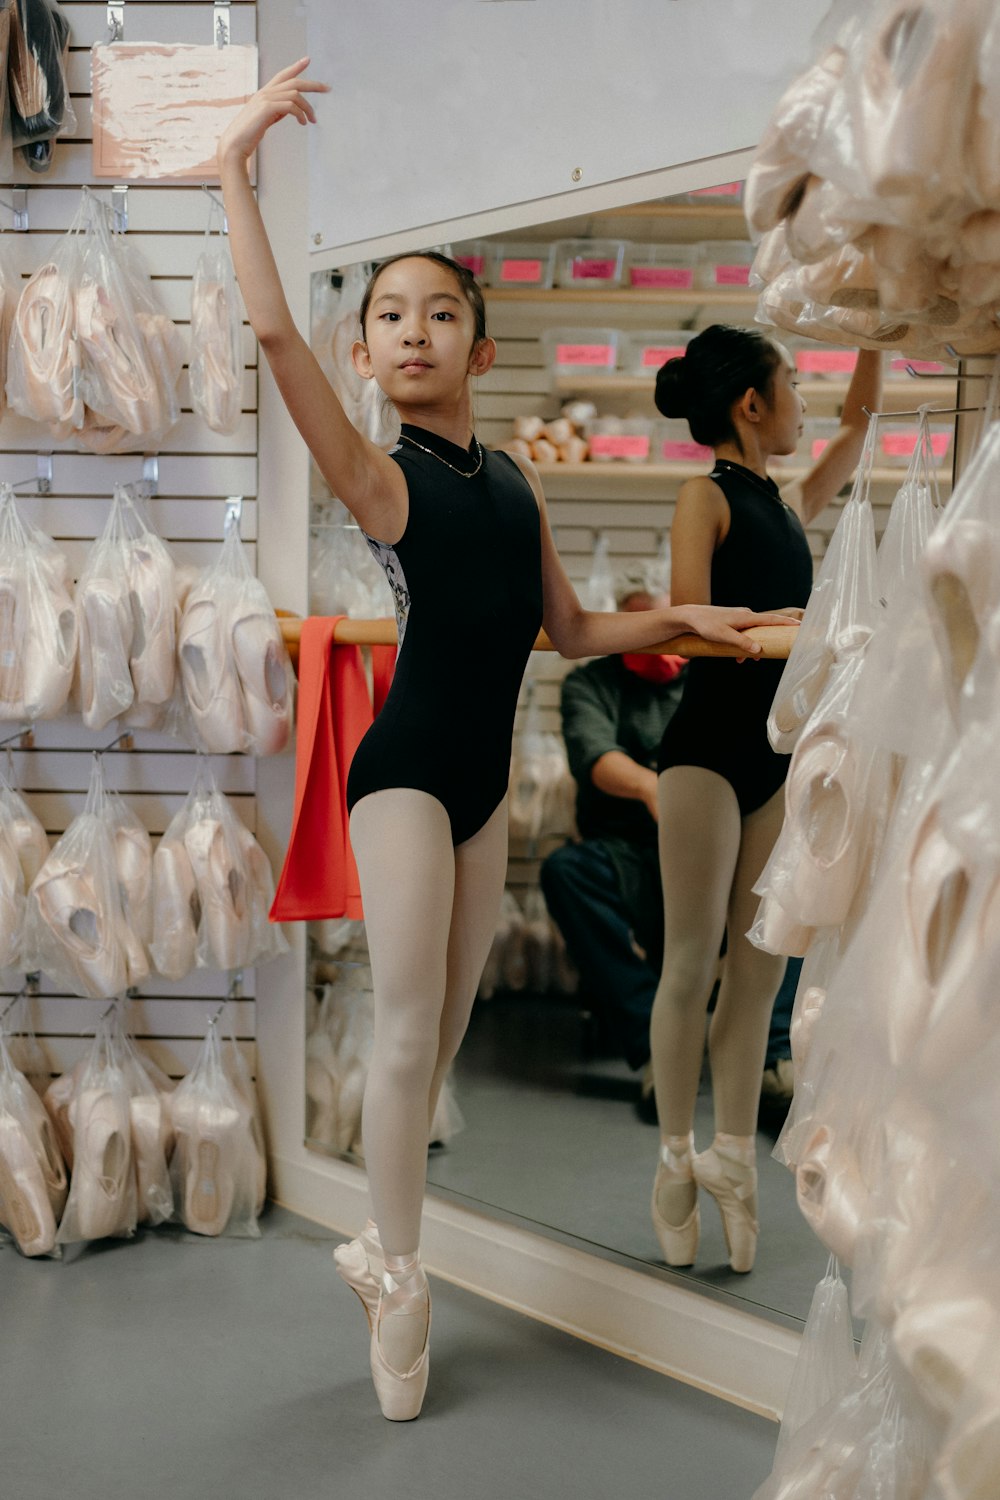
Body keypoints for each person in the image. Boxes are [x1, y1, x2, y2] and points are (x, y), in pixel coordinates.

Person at [218, 64, 798, 1421]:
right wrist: (235, 169)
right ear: (367, 355)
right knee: (413, 1021)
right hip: (409, 772)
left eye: (439, 314)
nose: (410, 332)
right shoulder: (383, 476)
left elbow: (571, 628)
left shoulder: (517, 480)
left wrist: (687, 614)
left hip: (484, 784)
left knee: (448, 1034)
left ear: (484, 349)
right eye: (387, 318)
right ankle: (398, 1272)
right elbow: (274, 335)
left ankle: (391, 1242)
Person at [647, 325, 881, 1275]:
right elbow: (689, 622)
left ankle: (733, 1158)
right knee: (689, 961)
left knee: (757, 972)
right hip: (704, 753)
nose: (803, 407)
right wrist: (785, 627)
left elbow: (860, 426)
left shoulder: (784, 502)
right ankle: (671, 1159)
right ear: (753, 404)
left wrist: (872, 329)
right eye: (793, 389)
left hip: (778, 763)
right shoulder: (703, 496)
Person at [540, 582, 685, 1105]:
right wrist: (650, 787)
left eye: (661, 626)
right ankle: (657, 1048)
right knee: (565, 872)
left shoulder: (706, 676)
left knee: (779, 886)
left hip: (702, 846)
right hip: (623, 850)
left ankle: (775, 1056)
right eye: (639, 627)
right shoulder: (591, 683)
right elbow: (595, 754)